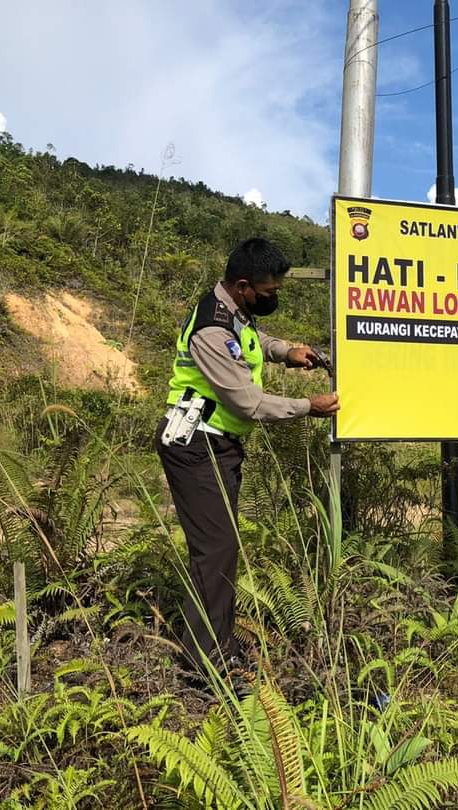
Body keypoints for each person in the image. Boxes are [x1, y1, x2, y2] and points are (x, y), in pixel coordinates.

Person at [155, 238, 339, 680]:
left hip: (220, 447)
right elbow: (248, 404)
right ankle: (205, 664)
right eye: (267, 291)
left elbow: (252, 341)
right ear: (242, 285)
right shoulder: (211, 331)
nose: (272, 297)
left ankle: (217, 640)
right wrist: (307, 406)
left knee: (221, 547)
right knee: (215, 549)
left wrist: (285, 352)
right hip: (196, 446)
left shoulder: (233, 313)